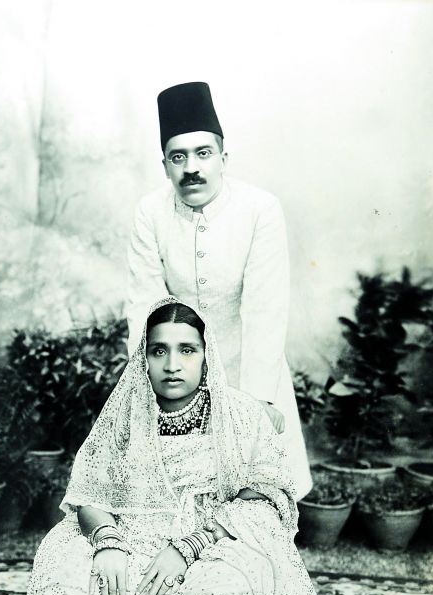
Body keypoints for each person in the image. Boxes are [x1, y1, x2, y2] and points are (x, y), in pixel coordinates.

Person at [26, 298, 374, 595]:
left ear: (206, 354)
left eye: (187, 350)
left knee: (223, 591)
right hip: (129, 533)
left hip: (215, 537)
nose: (172, 365)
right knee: (66, 577)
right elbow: (88, 492)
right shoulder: (125, 414)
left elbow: (265, 497)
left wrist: (188, 546)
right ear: (142, 357)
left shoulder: (238, 416)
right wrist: (107, 541)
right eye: (159, 351)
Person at [126, 81, 312, 500]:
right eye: (179, 157)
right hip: (179, 367)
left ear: (223, 158)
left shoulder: (260, 209)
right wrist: (147, 386)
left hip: (250, 364)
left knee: (255, 498)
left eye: (203, 153)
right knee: (181, 495)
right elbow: (143, 305)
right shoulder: (150, 212)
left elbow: (265, 308)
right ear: (165, 166)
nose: (192, 168)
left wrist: (259, 400)